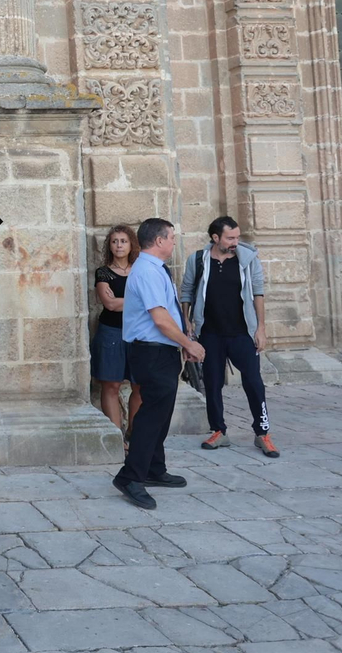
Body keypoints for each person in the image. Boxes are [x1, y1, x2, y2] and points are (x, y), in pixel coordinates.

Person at [115, 218, 203, 510]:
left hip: (160, 351)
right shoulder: (148, 272)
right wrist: (188, 343)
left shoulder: (155, 269)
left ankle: (154, 467)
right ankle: (130, 476)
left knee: (161, 413)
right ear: (160, 240)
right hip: (151, 352)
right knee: (152, 415)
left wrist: (181, 343)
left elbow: (169, 314)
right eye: (172, 238)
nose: (175, 243)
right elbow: (160, 318)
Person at [180, 216, 277, 458]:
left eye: (237, 237)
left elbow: (258, 293)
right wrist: (187, 323)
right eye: (230, 238)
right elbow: (187, 291)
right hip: (210, 333)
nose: (235, 242)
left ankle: (262, 432)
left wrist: (261, 328)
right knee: (212, 383)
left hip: (242, 333)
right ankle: (218, 431)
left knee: (254, 382)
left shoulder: (248, 260)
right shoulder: (198, 260)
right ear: (215, 238)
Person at [92, 225, 140, 437]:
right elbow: (109, 305)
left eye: (123, 241)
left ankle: (134, 433)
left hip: (138, 333)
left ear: (131, 245)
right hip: (111, 332)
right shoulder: (103, 272)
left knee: (139, 385)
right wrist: (139, 300)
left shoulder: (140, 270)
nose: (119, 245)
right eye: (114, 241)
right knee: (111, 385)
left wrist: (122, 301)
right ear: (109, 246)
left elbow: (152, 301)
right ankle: (116, 438)